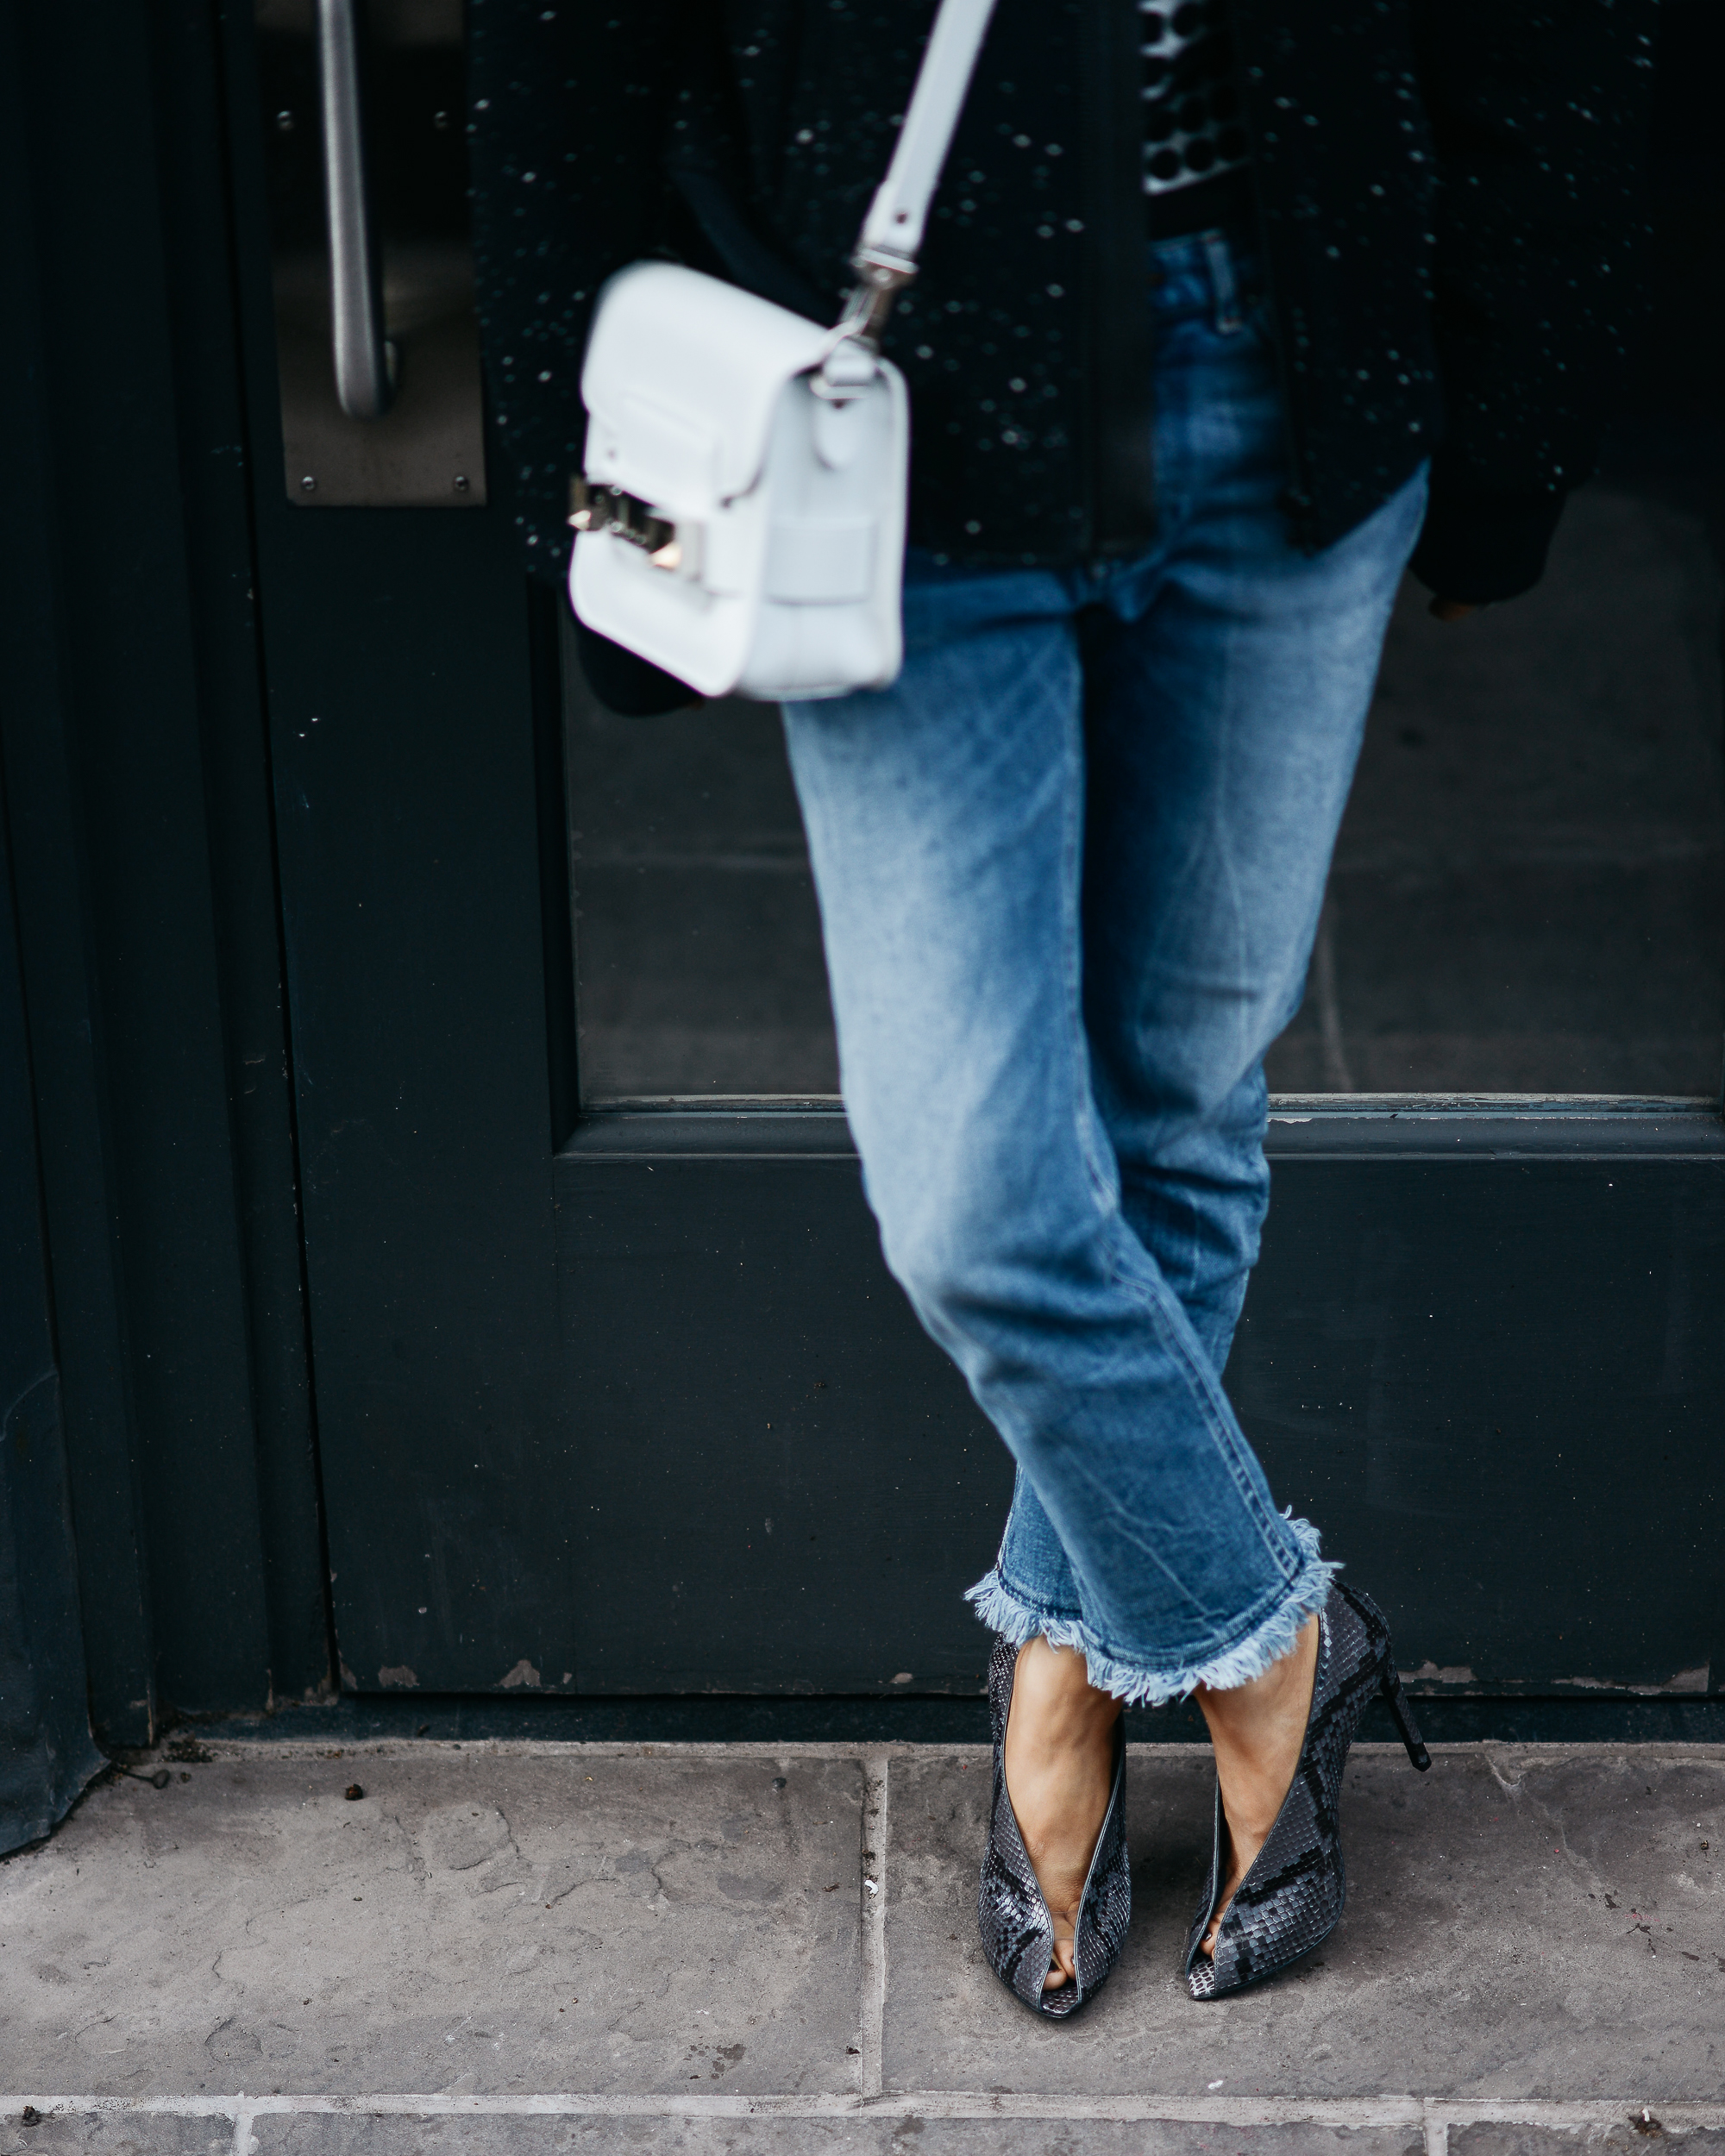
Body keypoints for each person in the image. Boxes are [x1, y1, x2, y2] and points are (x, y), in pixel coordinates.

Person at [467, 0, 1656, 2008]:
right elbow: (564, 47)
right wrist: (574, 478)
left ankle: (1058, 1677)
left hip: (1298, 341)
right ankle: (1277, 1639)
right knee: (982, 1204)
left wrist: (1511, 396)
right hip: (904, 395)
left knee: (1178, 1095)